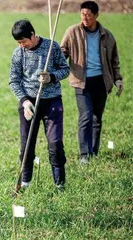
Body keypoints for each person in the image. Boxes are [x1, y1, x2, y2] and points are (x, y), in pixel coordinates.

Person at [60, 1, 124, 164]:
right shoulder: (72, 32)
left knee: (97, 118)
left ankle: (94, 152)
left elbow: (114, 60)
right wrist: (56, 64)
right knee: (86, 116)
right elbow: (62, 52)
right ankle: (84, 155)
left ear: (96, 15)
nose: (85, 18)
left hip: (101, 81)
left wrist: (117, 79)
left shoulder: (107, 35)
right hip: (81, 81)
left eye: (88, 15)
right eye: (82, 14)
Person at [9, 20, 70, 190]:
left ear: (32, 34)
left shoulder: (52, 47)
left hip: (52, 101)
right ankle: (26, 182)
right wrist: (24, 101)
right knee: (26, 144)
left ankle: (59, 183)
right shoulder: (18, 54)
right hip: (29, 103)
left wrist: (51, 76)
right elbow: (13, 81)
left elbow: (65, 69)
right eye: (18, 43)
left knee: (55, 143)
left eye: (24, 41)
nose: (22, 45)